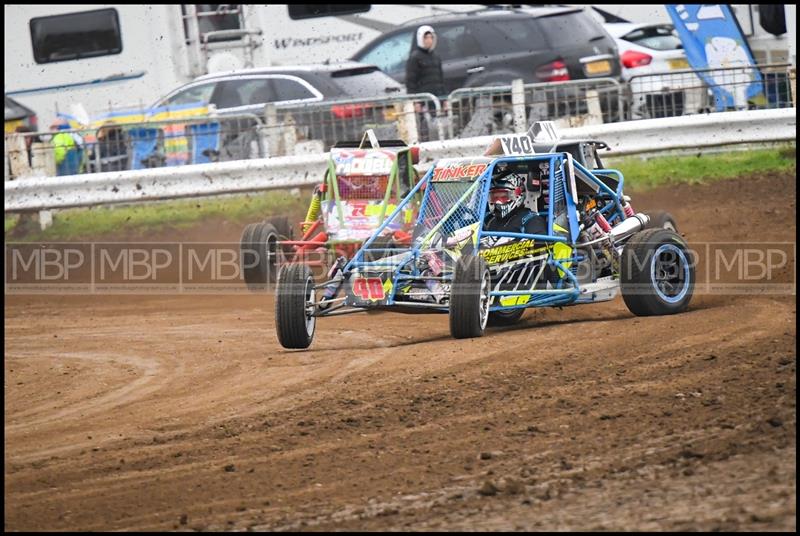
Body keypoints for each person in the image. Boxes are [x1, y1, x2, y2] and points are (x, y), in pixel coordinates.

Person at [405, 25, 446, 141]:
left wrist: (444, 99)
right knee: (425, 128)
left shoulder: (436, 56)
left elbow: (441, 79)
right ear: (420, 39)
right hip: (424, 101)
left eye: (431, 37)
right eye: (426, 38)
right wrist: (416, 101)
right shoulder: (415, 57)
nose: (429, 40)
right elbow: (410, 81)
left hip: (436, 99)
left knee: (439, 128)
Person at [485, 172, 547, 236]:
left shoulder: (531, 220)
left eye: (504, 197)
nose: (498, 202)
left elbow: (540, 244)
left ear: (518, 195)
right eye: (494, 198)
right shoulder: (491, 222)